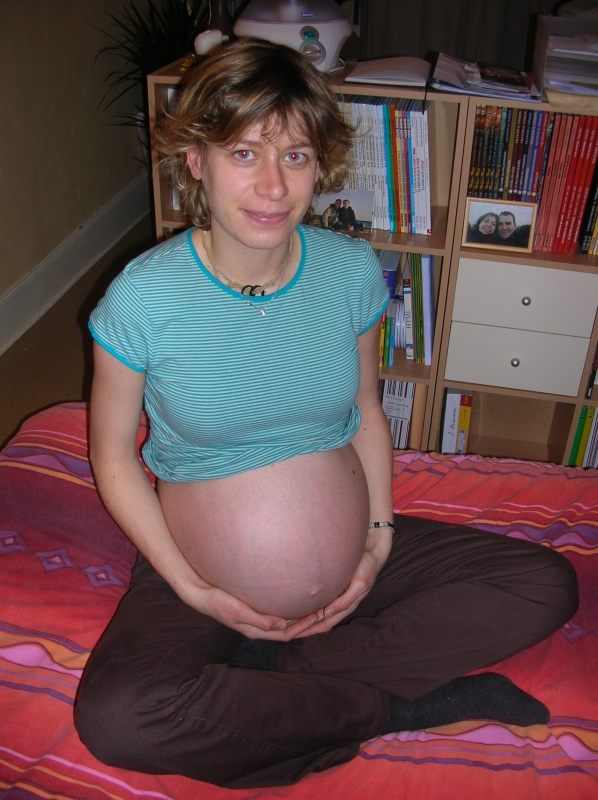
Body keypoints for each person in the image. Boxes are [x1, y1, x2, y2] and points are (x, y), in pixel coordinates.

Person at [75, 38, 578, 790]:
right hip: (197, 567)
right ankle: (396, 707)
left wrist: (376, 541)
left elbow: (368, 410)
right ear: (196, 161)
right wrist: (190, 586)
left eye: (296, 156)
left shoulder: (347, 271)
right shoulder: (141, 298)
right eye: (244, 154)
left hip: (354, 562)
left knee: (544, 584)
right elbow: (113, 455)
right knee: (118, 718)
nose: (273, 186)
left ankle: (280, 686)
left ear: (321, 166)